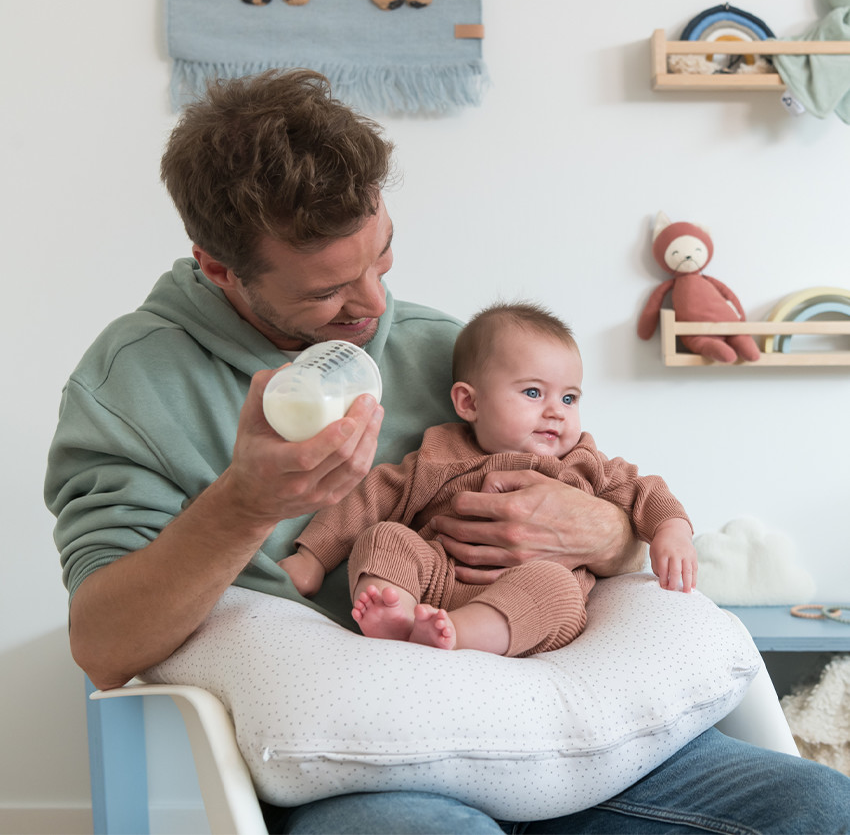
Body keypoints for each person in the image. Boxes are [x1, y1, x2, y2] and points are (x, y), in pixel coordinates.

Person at [44, 69, 850, 834]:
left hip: (536, 703)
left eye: (383, 255)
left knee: (816, 805)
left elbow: (602, 487)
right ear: (219, 267)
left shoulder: (449, 351)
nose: (373, 304)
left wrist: (603, 533)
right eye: (327, 291)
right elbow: (106, 646)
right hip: (355, 757)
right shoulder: (131, 387)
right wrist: (246, 505)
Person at [281, 302, 696, 656]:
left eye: (569, 398)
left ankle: (456, 634)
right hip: (436, 573)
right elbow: (370, 496)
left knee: (557, 589)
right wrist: (312, 558)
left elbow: (646, 491)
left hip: (523, 593)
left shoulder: (583, 461)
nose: (556, 411)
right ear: (469, 402)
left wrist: (671, 531)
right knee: (386, 536)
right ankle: (398, 614)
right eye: (534, 393)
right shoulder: (440, 453)